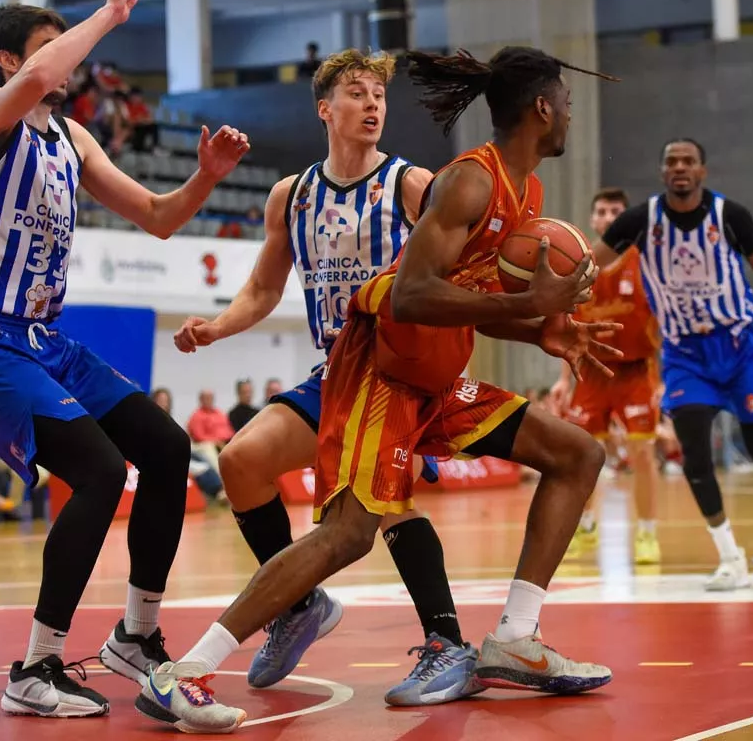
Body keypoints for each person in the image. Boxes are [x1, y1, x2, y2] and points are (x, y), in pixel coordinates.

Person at [138, 46, 622, 733]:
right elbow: (415, 293)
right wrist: (521, 309)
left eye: (378, 95)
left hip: (431, 374)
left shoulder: (525, 193)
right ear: (542, 108)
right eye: (566, 102)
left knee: (576, 455)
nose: (570, 112)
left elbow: (469, 295)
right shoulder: (466, 183)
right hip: (378, 371)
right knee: (345, 533)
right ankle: (181, 671)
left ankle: (512, 638)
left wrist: (537, 331)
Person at [0, 0, 250, 720]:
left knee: (167, 450)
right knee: (101, 473)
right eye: (52, 47)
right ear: (13, 62)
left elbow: (159, 216)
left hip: (46, 339)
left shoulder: (70, 140)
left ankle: (136, 638)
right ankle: (35, 665)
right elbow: (47, 66)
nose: (68, 63)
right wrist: (106, 15)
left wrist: (205, 178)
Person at [172, 48, 479, 706]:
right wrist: (213, 328)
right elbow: (262, 288)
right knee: (240, 463)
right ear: (325, 109)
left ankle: (446, 641)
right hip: (333, 371)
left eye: (379, 96)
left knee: (384, 506)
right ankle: (299, 604)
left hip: (399, 370)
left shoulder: (410, 184)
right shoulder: (292, 194)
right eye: (357, 94)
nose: (372, 105)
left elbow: (461, 272)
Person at [591, 139, 753, 590]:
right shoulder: (640, 221)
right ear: (663, 172)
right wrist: (548, 282)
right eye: (672, 162)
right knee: (696, 454)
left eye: (689, 162)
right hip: (684, 355)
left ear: (702, 171)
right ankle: (729, 557)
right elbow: (589, 266)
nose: (680, 168)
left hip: (738, 349)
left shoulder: (730, 216)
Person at [552, 188, 663, 564]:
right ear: (593, 219)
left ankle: (647, 533)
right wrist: (563, 380)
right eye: (602, 210)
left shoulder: (645, 261)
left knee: (643, 453)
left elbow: (663, 321)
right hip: (591, 371)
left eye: (616, 210)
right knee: (583, 456)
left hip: (635, 370)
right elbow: (565, 326)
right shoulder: (580, 265)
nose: (609, 216)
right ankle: (585, 526)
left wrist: (665, 379)